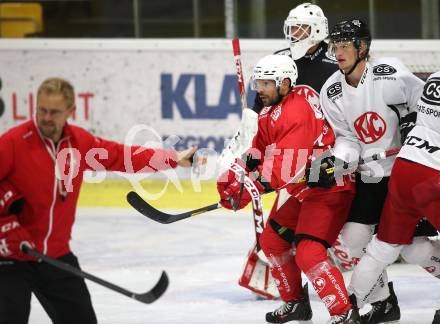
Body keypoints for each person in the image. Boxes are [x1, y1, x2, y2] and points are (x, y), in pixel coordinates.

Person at [0, 77, 196, 324]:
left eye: (55, 112)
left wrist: (172, 158)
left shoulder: (79, 143)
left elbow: (123, 157)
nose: (46, 117)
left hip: (55, 256)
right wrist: (6, 226)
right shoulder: (14, 143)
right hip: (10, 259)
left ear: (71, 111)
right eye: (42, 110)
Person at [218, 54, 360, 323]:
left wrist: (251, 188)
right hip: (305, 191)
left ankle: (344, 313)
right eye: (258, 83)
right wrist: (234, 178)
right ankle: (296, 302)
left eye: (266, 84)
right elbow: (257, 151)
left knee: (309, 253)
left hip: (330, 189)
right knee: (272, 241)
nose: (259, 89)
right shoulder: (270, 110)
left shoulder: (298, 110)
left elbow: (286, 166)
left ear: (284, 83)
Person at [317, 19, 440, 323]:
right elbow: (346, 136)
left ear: (363, 47)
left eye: (346, 45)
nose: (339, 51)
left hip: (406, 171)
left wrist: (410, 123)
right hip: (370, 176)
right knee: (355, 237)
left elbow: (425, 105)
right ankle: (382, 301)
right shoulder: (331, 90)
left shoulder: (391, 73)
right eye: (336, 45)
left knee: (414, 250)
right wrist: (341, 158)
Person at [239, 1, 341, 300]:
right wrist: (250, 123)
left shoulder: (334, 65)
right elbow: (261, 104)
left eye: (302, 28)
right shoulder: (280, 60)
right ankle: (281, 275)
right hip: (290, 153)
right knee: (284, 216)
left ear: (319, 31)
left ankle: (327, 263)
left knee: (325, 220)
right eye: (292, 28)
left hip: (324, 154)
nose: (296, 34)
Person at [348, 70, 440, 324]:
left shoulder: (434, 79)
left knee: (382, 249)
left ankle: (346, 308)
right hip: (434, 174)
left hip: (406, 166)